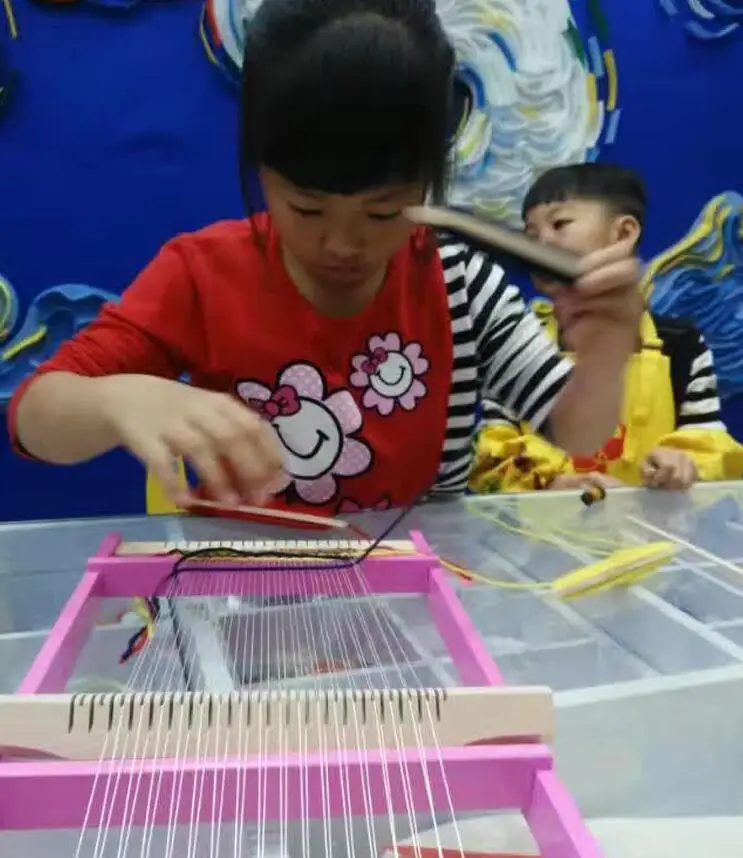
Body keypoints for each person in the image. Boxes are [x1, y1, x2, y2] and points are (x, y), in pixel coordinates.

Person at [9, 0, 642, 519]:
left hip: (416, 584)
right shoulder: (200, 275)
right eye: (307, 209)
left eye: (382, 212)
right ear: (262, 171)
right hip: (247, 589)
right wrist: (120, 400)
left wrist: (605, 353)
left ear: (429, 181)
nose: (342, 245)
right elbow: (33, 418)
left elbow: (575, 432)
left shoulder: (458, 282)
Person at [470, 163, 743, 496]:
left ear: (624, 233)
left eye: (560, 224)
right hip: (537, 528)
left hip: (649, 529)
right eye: (531, 235)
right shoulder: (516, 339)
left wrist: (683, 465)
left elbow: (709, 445)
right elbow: (492, 457)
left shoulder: (681, 345)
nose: (542, 242)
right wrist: (553, 484)